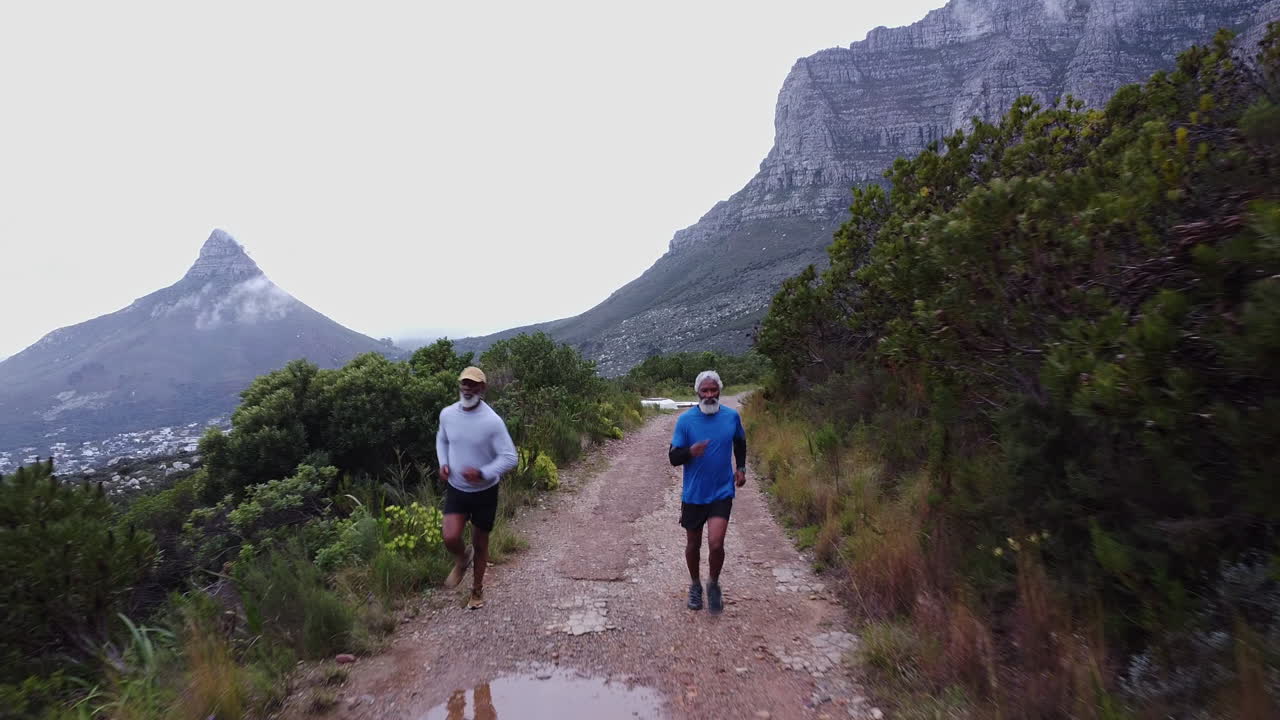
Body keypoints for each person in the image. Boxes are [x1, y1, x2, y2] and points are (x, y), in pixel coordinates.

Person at [436, 366, 518, 609]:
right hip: (457, 489)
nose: (467, 388)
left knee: (481, 544)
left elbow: (510, 457)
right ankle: (462, 559)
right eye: (464, 383)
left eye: (473, 384)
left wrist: (483, 473)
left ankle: (477, 591)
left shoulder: (492, 421)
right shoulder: (448, 414)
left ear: (482, 388)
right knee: (450, 536)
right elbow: (442, 438)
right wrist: (443, 463)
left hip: (485, 492)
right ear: (460, 384)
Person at [668, 370, 746, 614]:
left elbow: (740, 442)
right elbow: (673, 457)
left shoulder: (731, 417)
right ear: (697, 393)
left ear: (719, 391)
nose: (710, 395)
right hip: (694, 494)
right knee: (693, 544)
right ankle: (694, 585)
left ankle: (713, 584)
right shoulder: (686, 421)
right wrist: (690, 451)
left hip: (722, 490)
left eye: (714, 390)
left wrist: (741, 467)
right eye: (705, 391)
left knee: (715, 543)